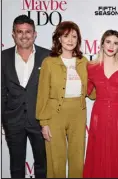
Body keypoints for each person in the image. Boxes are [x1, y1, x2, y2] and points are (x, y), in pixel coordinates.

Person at [36, 21, 95, 178]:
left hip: (78, 113)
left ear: (78, 40)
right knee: (56, 159)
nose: (70, 40)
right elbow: (42, 94)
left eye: (74, 36)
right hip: (55, 114)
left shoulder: (84, 63)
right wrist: (44, 123)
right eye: (66, 36)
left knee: (77, 158)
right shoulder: (49, 63)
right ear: (59, 39)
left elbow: (93, 93)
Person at [1, 14, 49, 178]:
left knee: (43, 165)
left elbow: (52, 91)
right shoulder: (3, 57)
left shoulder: (48, 56)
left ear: (35, 34)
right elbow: (1, 92)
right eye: (19, 32)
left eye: (28, 32)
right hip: (13, 122)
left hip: (40, 121)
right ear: (13, 34)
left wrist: (48, 120)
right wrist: (4, 119)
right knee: (16, 166)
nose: (24, 36)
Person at [83, 30, 118, 178]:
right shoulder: (91, 66)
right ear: (102, 43)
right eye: (108, 42)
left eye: (116, 43)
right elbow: (86, 90)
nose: (111, 46)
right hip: (100, 112)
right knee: (98, 150)